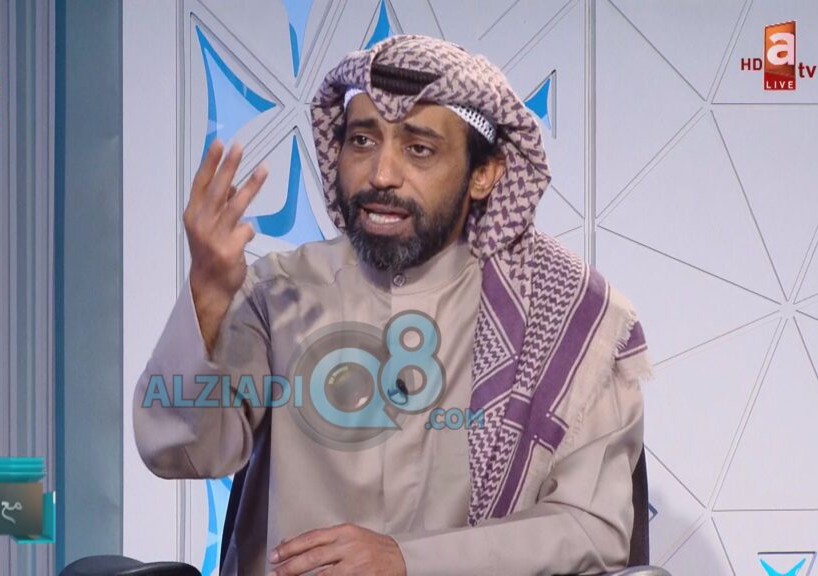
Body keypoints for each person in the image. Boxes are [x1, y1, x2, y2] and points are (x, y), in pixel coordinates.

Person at [134, 34, 653, 576]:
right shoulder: (279, 292)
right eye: (362, 141)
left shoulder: (563, 315)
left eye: (418, 149)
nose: (381, 174)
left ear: (484, 174)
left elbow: (592, 530)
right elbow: (178, 451)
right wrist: (207, 295)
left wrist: (410, 561)